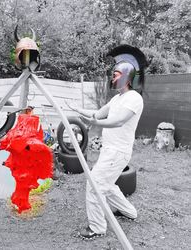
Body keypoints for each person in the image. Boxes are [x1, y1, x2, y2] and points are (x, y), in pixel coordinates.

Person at [67, 45, 147, 240]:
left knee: (95, 185)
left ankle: (97, 227)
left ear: (128, 77)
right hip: (109, 150)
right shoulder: (117, 99)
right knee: (107, 185)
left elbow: (118, 121)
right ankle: (129, 212)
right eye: (113, 73)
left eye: (117, 73)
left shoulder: (134, 98)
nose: (113, 77)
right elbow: (98, 113)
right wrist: (76, 109)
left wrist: (96, 123)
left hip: (118, 152)